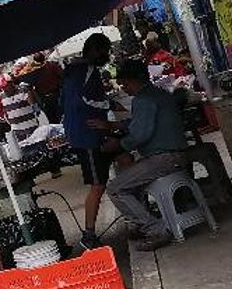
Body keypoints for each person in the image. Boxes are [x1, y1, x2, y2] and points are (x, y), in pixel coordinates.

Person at [95, 59, 191, 251]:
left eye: (125, 84)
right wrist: (116, 126)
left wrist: (118, 145)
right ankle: (142, 222)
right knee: (131, 178)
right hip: (176, 153)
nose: (124, 88)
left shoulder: (143, 100)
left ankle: (156, 229)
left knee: (116, 188)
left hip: (164, 157)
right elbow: (138, 122)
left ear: (134, 80)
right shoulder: (157, 93)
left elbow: (139, 134)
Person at [61, 32, 117, 251]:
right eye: (105, 51)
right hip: (87, 135)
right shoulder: (83, 70)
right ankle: (89, 234)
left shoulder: (76, 71)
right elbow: (80, 102)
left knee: (124, 157)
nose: (107, 56)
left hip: (90, 132)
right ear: (94, 50)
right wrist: (108, 105)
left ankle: (138, 209)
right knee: (98, 185)